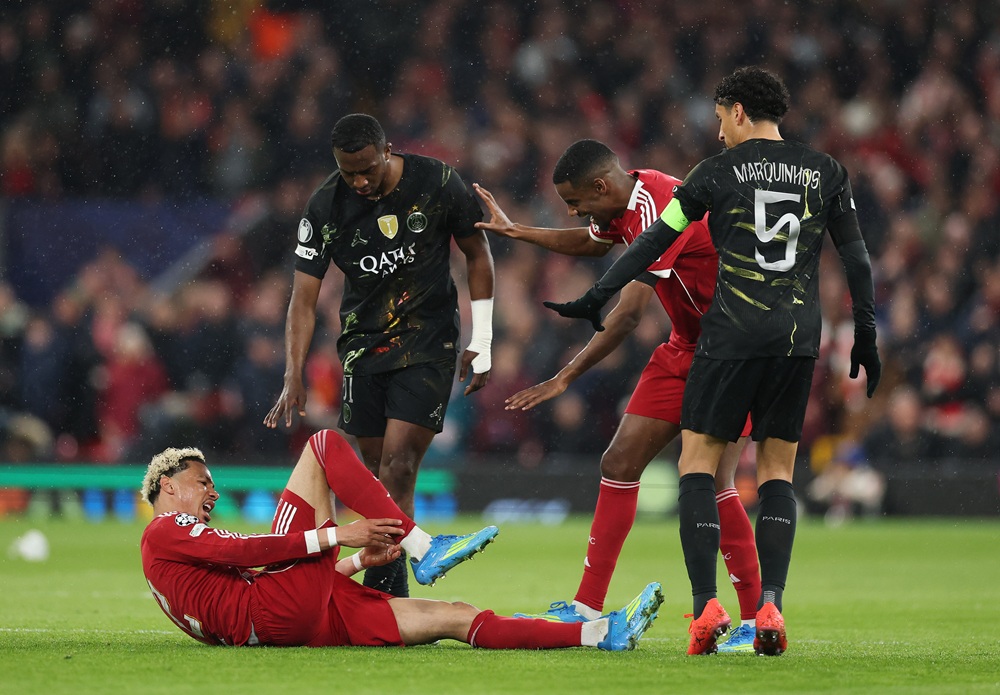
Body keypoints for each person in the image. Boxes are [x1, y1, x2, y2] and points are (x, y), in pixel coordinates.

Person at [546, 67, 881, 656]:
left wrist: (598, 294)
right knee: (776, 475)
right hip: (797, 337)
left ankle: (707, 607)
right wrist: (867, 332)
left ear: (739, 112)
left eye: (721, 115)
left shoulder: (714, 173)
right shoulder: (827, 171)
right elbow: (855, 257)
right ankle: (767, 609)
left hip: (727, 336)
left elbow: (654, 242)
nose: (717, 128)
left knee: (699, 469)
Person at [471, 139, 762, 654]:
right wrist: (517, 231)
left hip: (728, 349)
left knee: (716, 478)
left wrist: (564, 377)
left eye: (576, 201)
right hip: (685, 346)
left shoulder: (657, 208)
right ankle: (585, 607)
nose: (574, 212)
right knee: (620, 459)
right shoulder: (626, 201)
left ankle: (756, 619)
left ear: (601, 186)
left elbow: (627, 313)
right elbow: (591, 242)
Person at [139, 428, 663, 650]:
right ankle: (422, 546)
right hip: (274, 612)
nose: (211, 491)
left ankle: (599, 635)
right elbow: (244, 554)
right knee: (322, 445)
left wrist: (350, 563)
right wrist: (335, 535)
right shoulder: (164, 527)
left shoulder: (171, 554)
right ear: (167, 485)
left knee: (454, 615)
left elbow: (244, 583)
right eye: (201, 481)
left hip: (296, 620)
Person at [264, 113, 496, 599]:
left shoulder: (436, 181)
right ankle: (401, 575)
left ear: (388, 149)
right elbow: (302, 299)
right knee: (373, 476)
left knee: (398, 464)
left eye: (368, 168)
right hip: (362, 348)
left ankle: (387, 594)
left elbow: (478, 252)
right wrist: (294, 373)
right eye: (350, 172)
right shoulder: (325, 205)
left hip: (429, 341)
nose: (361, 181)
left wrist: (484, 338)